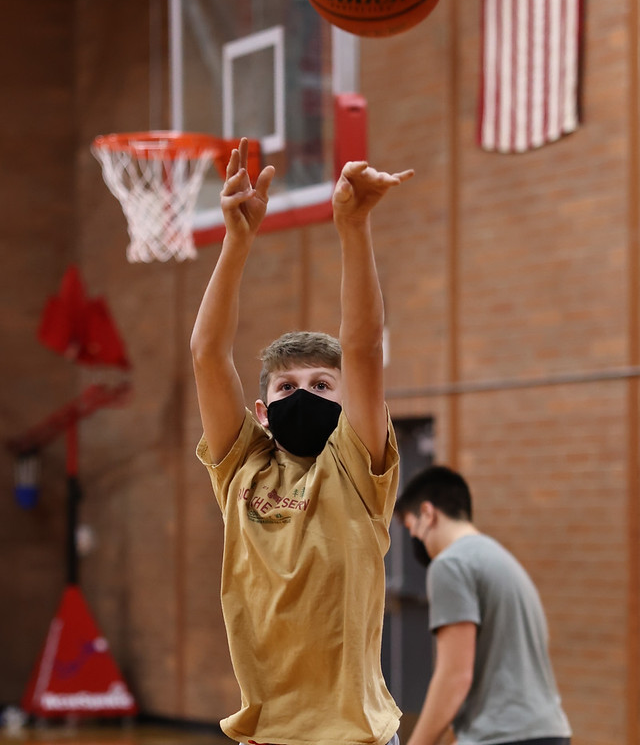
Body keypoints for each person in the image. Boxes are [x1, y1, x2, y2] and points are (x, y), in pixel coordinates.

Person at [191, 137, 413, 745]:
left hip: (354, 738)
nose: (304, 394)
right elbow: (208, 355)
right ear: (262, 412)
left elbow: (363, 348)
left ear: (347, 403)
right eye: (288, 386)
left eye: (321, 384)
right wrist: (236, 242)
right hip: (265, 736)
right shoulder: (242, 468)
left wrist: (353, 227)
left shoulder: (356, 467)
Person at [395, 465, 571, 745]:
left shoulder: (450, 564)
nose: (413, 537)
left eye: (409, 527)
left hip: (502, 736)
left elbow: (454, 677)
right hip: (550, 732)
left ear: (427, 514)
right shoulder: (502, 560)